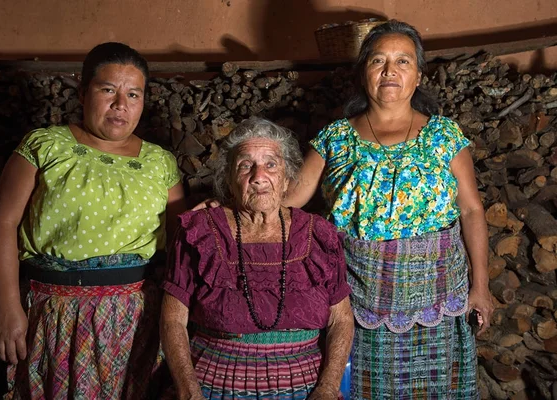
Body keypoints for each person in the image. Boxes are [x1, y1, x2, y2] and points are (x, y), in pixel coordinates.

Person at [284, 20, 494, 399]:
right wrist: (232, 204)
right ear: (363, 72)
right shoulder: (336, 138)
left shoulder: (444, 135)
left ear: (418, 75)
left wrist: (481, 286)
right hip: (360, 300)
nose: (390, 71)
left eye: (402, 61)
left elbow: (471, 212)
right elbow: (290, 198)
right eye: (378, 60)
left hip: (440, 299)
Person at [0, 42, 185, 399]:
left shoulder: (160, 163)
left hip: (133, 319)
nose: (120, 104)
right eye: (108, 89)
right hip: (53, 314)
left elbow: (182, 242)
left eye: (133, 94)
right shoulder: (45, 146)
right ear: (82, 91)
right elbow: (2, 225)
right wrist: (7, 305)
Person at [160, 116, 354, 399]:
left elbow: (342, 320)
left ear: (287, 178)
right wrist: (189, 390)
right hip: (213, 385)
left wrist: (327, 387)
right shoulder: (200, 231)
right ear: (229, 179)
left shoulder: (319, 235)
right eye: (245, 165)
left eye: (271, 164)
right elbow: (173, 319)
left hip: (305, 388)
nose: (258, 175)